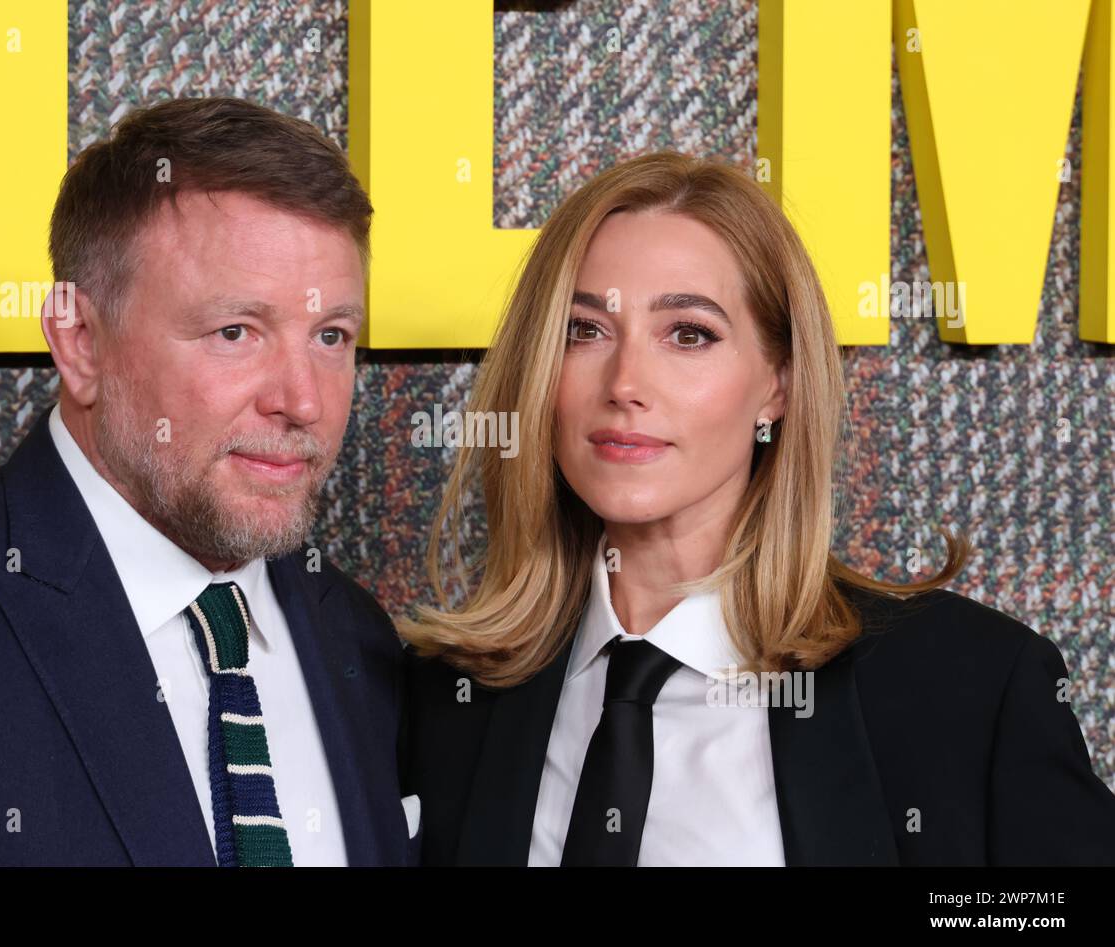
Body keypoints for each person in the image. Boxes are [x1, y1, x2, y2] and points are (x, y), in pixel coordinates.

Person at [398, 150, 1115, 866]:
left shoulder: (969, 687)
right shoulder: (445, 703)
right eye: (584, 331)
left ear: (777, 384)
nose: (625, 383)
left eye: (689, 334)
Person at [0, 97, 418, 866]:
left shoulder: (359, 636)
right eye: (236, 332)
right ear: (81, 344)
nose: (302, 401)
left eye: (331, 336)